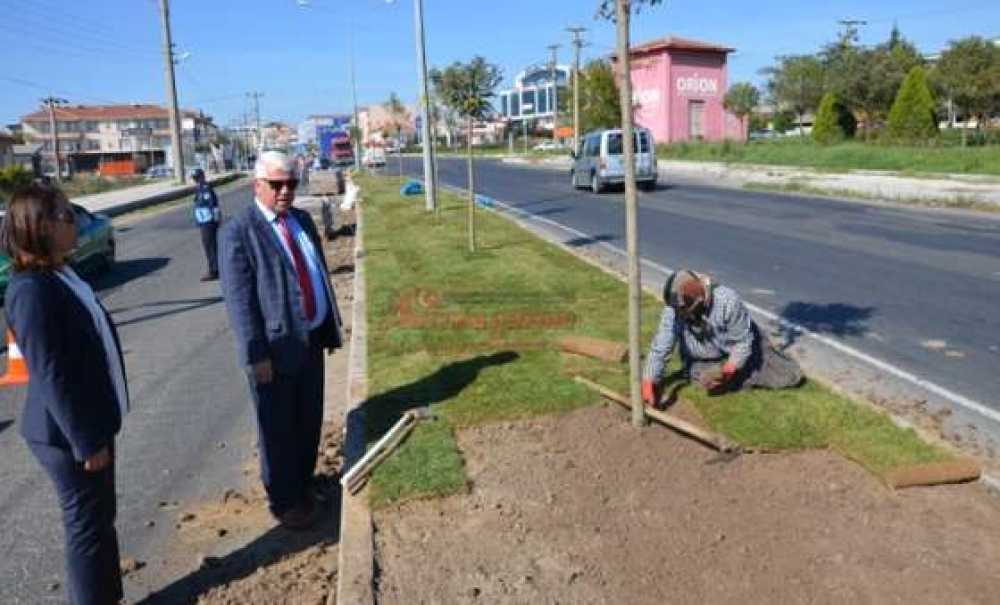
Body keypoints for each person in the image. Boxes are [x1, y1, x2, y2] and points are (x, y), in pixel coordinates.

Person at [3, 183, 128, 605]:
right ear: (39, 227)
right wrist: (86, 440)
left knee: (100, 519)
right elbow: (51, 373)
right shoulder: (30, 291)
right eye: (66, 216)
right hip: (67, 435)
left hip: (90, 423)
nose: (75, 222)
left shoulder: (60, 273)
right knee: (88, 529)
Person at [219, 150, 342, 529]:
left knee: (308, 421)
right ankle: (284, 502)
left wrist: (328, 326)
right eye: (277, 184)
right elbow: (241, 304)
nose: (286, 191)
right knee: (277, 431)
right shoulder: (239, 232)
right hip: (273, 353)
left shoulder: (301, 220)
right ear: (258, 185)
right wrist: (256, 357)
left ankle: (302, 485)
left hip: (310, 343)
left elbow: (315, 274)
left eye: (291, 183)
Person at [642, 270, 802, 406]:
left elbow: (742, 342)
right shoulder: (673, 310)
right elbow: (661, 348)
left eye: (685, 312)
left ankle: (747, 367)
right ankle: (722, 373)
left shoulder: (728, 301)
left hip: (740, 346)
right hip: (704, 358)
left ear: (699, 301)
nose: (679, 315)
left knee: (787, 377)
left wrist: (729, 369)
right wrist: (649, 380)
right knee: (706, 380)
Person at [191, 167, 222, 281]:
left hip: (208, 221)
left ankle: (214, 270)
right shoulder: (199, 188)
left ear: (202, 176)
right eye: (195, 178)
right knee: (208, 246)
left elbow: (213, 205)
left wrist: (216, 219)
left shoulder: (206, 188)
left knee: (210, 246)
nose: (196, 180)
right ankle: (215, 268)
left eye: (197, 177)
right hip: (204, 221)